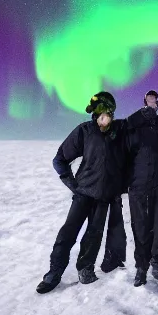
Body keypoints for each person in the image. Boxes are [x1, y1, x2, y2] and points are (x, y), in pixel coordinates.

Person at [37, 92, 130, 293]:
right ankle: (54, 273)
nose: (104, 116)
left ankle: (85, 269)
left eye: (107, 112)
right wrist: (74, 185)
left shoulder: (120, 133)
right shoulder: (85, 131)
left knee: (93, 236)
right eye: (100, 111)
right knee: (68, 233)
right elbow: (59, 159)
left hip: (105, 197)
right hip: (84, 194)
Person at [117, 90, 158, 286]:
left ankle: (157, 263)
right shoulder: (133, 124)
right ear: (144, 102)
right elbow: (119, 145)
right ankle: (141, 268)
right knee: (141, 228)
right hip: (137, 185)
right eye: (148, 100)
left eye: (155, 100)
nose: (152, 103)